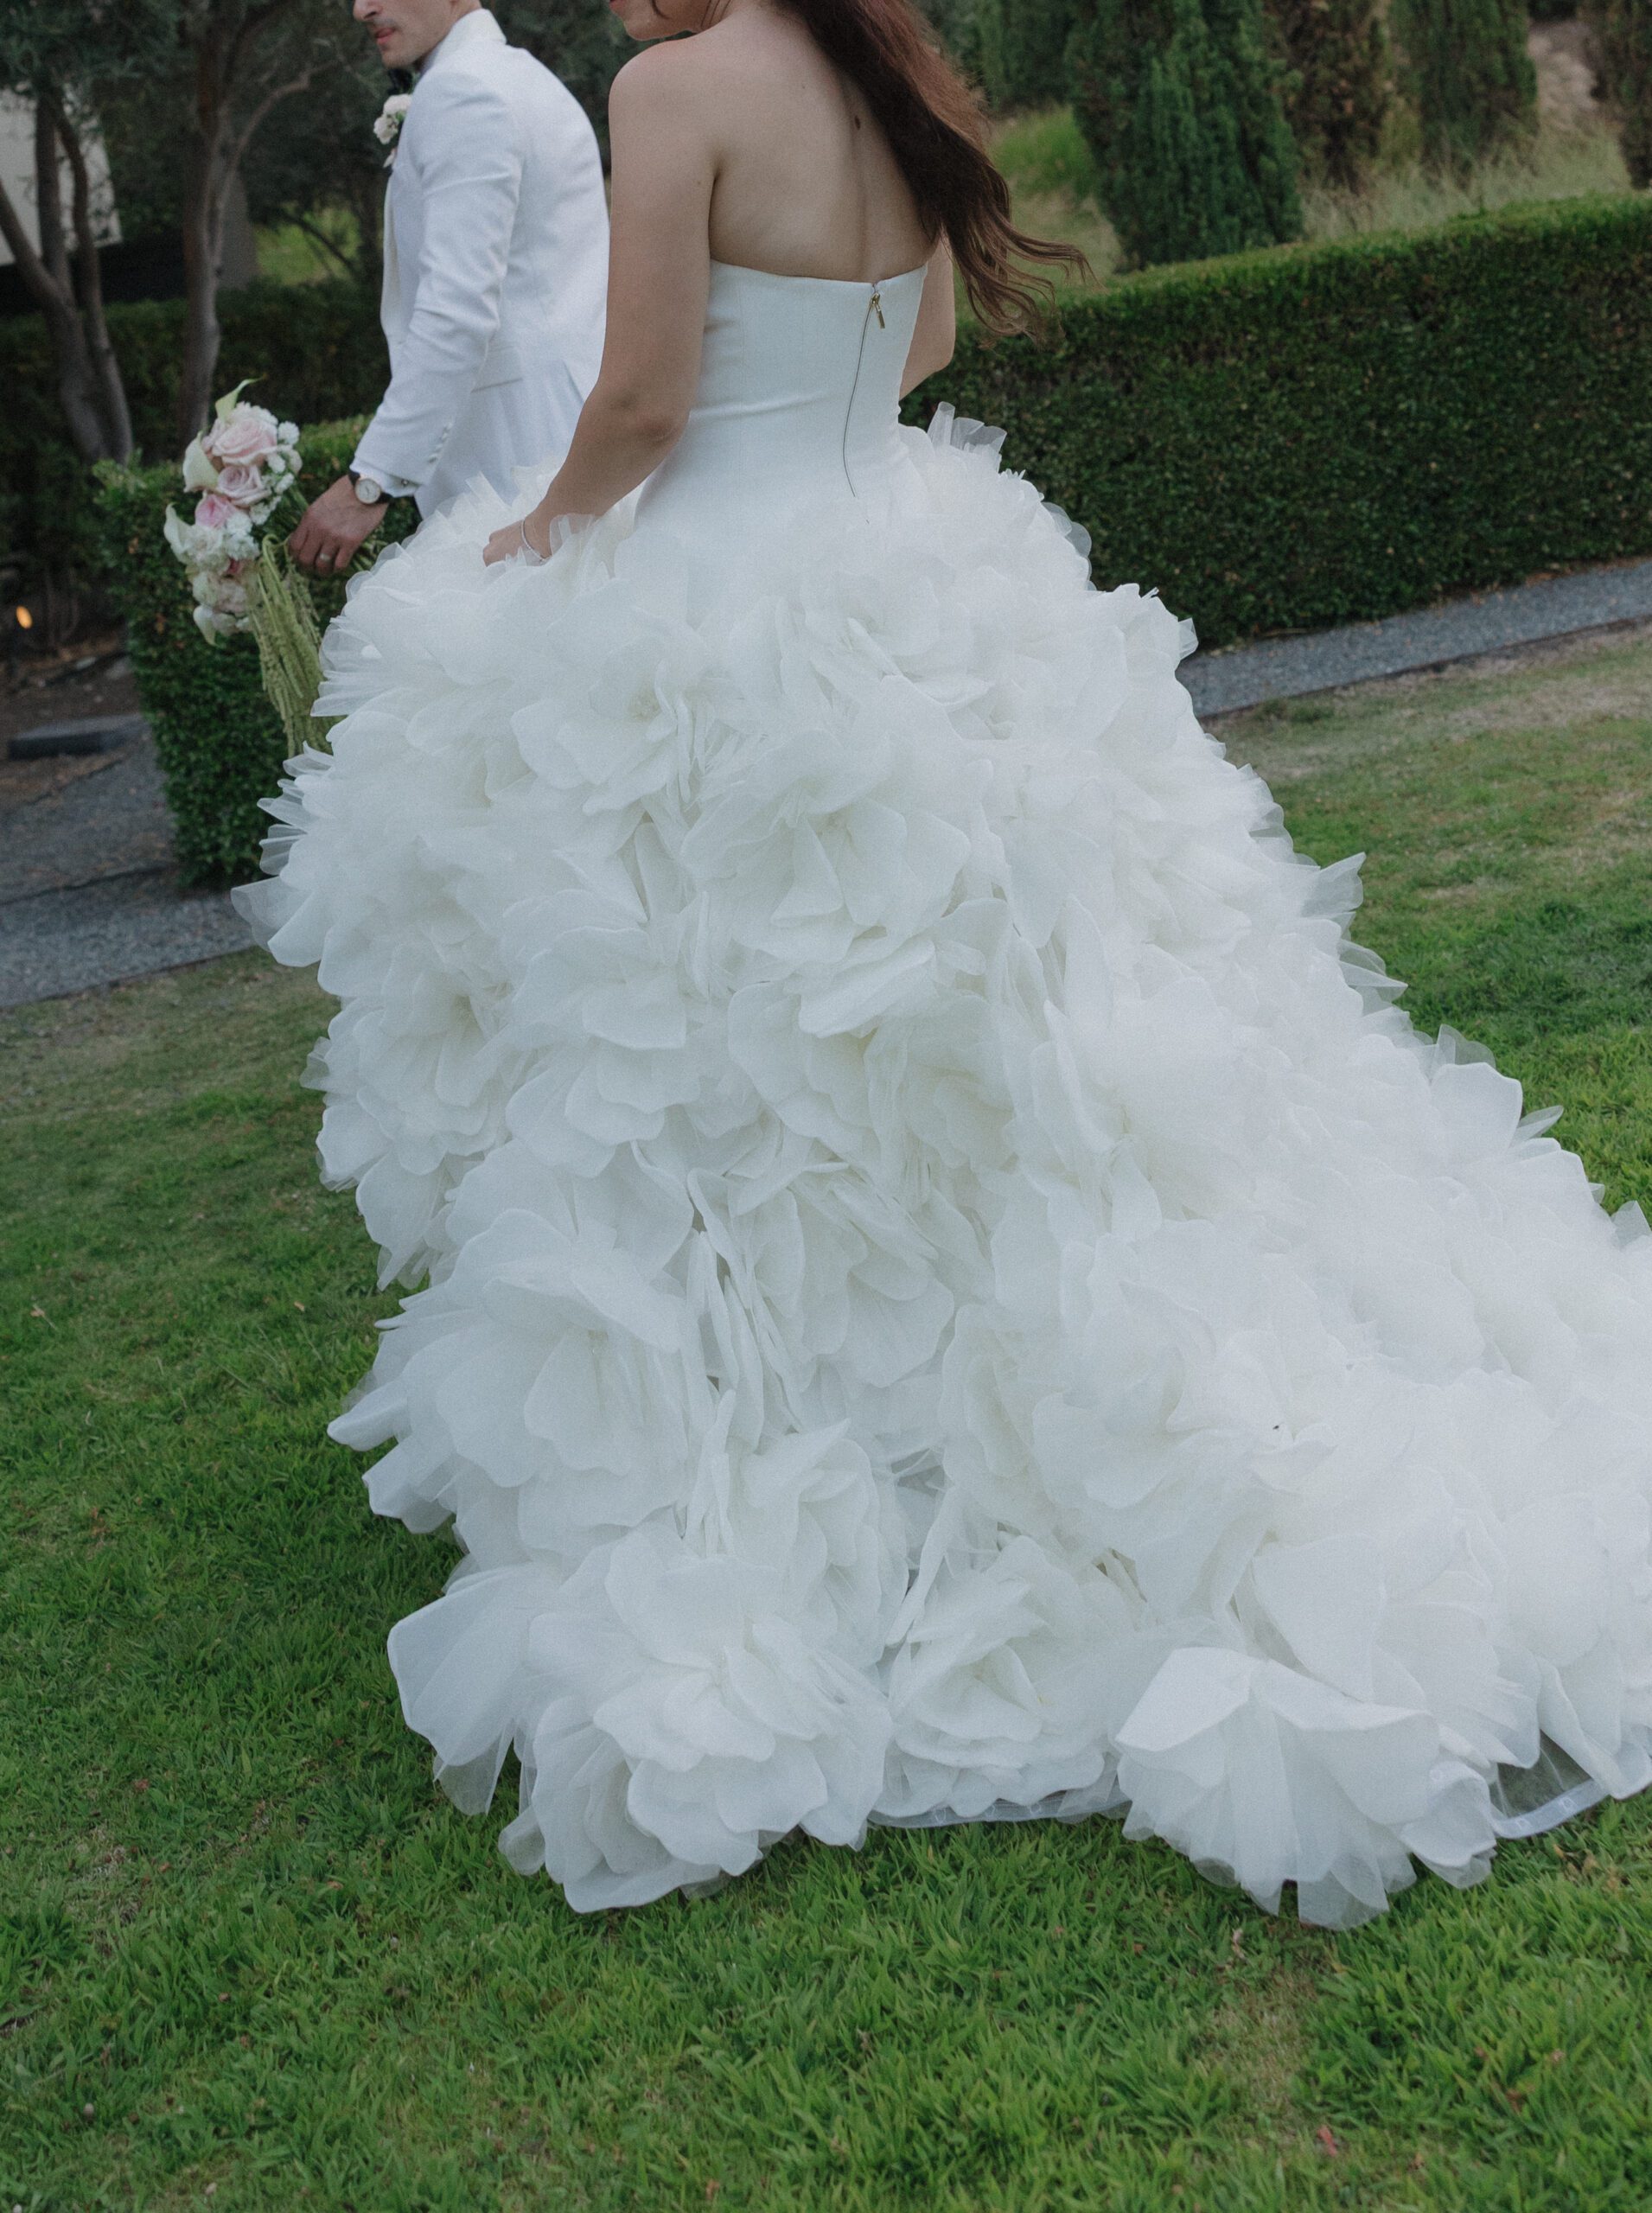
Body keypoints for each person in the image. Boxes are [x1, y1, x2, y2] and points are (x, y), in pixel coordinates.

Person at [237, 0, 1652, 1929]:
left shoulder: (672, 89)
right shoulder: (878, 72)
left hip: (720, 600)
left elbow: (640, 399)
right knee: (992, 1029)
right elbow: (922, 349)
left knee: (724, 1044)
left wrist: (536, 540)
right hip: (907, 562)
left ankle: (830, 1447)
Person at [288, 0, 609, 575]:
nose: (362, 9)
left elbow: (456, 309)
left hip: (519, 456)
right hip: (572, 426)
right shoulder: (525, 76)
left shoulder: (463, 91)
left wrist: (371, 481)